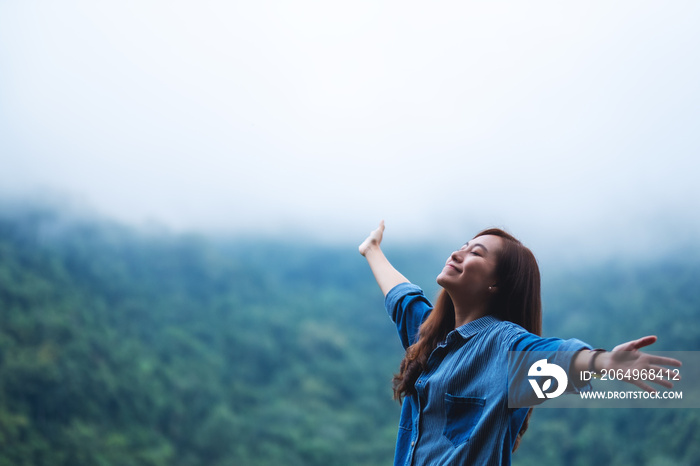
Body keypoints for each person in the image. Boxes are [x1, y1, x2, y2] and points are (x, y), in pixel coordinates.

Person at [359, 221, 681, 466]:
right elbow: (402, 298)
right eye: (463, 245)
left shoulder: (504, 345)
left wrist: (602, 362)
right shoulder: (430, 339)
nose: (457, 253)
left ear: (496, 284)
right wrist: (372, 249)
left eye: (476, 253)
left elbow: (556, 359)